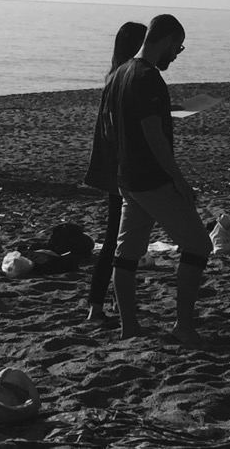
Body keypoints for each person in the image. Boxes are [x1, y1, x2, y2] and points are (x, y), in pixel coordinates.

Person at [101, 14, 212, 347]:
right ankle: (183, 326)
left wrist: (120, 166)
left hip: (128, 179)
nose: (176, 55)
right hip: (152, 180)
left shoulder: (118, 73)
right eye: (177, 47)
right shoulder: (147, 78)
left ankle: (129, 326)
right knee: (198, 245)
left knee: (128, 253)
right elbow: (154, 135)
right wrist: (179, 180)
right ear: (164, 40)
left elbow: (108, 128)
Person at [83, 21, 148, 323]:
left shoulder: (115, 75)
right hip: (121, 169)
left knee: (116, 238)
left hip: (116, 168)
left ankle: (100, 304)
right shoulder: (125, 77)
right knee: (116, 240)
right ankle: (99, 305)